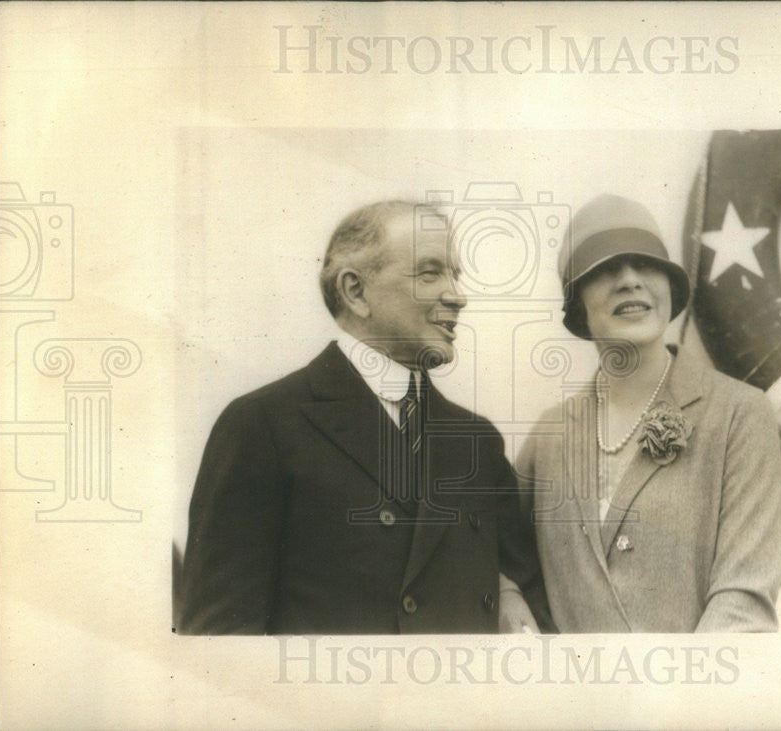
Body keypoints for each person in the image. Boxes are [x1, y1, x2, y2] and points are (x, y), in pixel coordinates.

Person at [179, 200, 548, 634]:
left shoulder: (477, 441)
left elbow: (533, 603)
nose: (458, 296)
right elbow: (219, 639)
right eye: (430, 273)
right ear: (356, 292)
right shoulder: (263, 424)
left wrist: (506, 591)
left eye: (455, 274)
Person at [515, 194, 781, 632]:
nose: (629, 281)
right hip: (572, 696)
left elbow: (743, 601)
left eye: (646, 264)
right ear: (578, 304)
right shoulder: (550, 433)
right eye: (604, 270)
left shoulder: (739, 413)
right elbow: (503, 558)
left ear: (669, 286)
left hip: (694, 695)